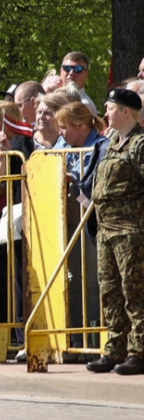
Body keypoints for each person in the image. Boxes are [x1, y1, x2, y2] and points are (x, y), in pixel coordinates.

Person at [87, 89, 144, 375]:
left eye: (109, 108)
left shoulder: (139, 144)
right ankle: (115, 349)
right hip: (107, 231)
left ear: (125, 111)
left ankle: (139, 350)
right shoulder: (111, 143)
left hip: (132, 231)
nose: (105, 113)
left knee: (134, 292)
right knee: (109, 292)